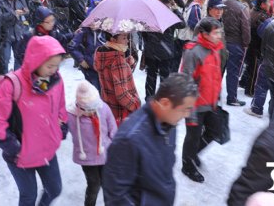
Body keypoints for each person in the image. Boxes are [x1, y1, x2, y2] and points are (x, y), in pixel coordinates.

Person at [0, 36, 68, 206]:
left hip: (46, 148)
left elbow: (60, 106)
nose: (54, 70)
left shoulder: (55, 81)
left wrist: (62, 125)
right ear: (36, 61)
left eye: (57, 65)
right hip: (20, 153)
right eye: (50, 66)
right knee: (28, 196)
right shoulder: (12, 84)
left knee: (54, 189)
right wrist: (10, 144)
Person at [103, 73, 198, 205]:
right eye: (185, 109)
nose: (187, 115)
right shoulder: (129, 139)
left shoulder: (169, 125)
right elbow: (116, 195)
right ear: (165, 103)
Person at [180, 17, 225, 183]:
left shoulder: (215, 48)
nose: (219, 35)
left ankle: (192, 154)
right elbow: (186, 82)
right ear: (205, 34)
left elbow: (214, 76)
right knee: (193, 136)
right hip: (195, 104)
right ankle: (187, 165)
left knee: (214, 131)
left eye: (220, 32)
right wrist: (189, 110)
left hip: (211, 101)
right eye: (216, 33)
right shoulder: (193, 52)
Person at [67, 81, 117, 206]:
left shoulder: (103, 108)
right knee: (94, 185)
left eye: (94, 107)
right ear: (80, 106)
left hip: (104, 153)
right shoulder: (71, 115)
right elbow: (58, 127)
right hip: (87, 158)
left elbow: (113, 128)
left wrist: (112, 144)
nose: (92, 112)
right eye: (88, 109)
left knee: (107, 183)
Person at [142, 0, 185, 100]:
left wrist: (148, 41)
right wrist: (175, 9)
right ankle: (162, 99)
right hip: (166, 51)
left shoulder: (151, 11)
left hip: (151, 50)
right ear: (171, 0)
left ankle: (149, 99)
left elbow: (143, 30)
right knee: (165, 77)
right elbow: (182, 24)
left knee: (151, 76)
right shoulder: (170, 13)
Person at [94, 32, 140, 126]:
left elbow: (110, 71)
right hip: (120, 112)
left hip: (108, 105)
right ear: (113, 39)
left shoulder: (103, 53)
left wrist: (126, 63)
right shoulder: (118, 60)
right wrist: (136, 105)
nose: (127, 41)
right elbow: (122, 95)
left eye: (127, 37)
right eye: (124, 38)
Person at [222, 0, 251, 106]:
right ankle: (232, 98)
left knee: (218, 70)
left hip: (220, 41)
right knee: (233, 73)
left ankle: (214, 94)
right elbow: (245, 28)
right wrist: (246, 43)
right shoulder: (242, 7)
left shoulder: (220, 3)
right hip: (235, 43)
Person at [0, 0, 29, 72]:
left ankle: (17, 77)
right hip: (5, 34)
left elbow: (26, 10)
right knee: (5, 59)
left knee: (19, 57)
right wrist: (13, 13)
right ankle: (5, 79)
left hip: (18, 30)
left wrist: (24, 11)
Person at [239, 0, 270, 96]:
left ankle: (243, 83)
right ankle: (250, 90)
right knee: (254, 70)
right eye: (268, 3)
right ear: (262, 5)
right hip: (256, 46)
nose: (269, 5)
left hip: (250, 45)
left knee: (250, 67)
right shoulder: (262, 16)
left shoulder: (253, 11)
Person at [69, 27, 105, 92]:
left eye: (96, 20)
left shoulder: (104, 31)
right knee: (95, 92)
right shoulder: (83, 32)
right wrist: (81, 60)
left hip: (104, 68)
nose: (94, 23)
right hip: (90, 69)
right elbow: (71, 47)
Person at [206, 0, 229, 74]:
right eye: (216, 9)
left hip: (218, 67)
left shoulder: (219, 23)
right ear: (209, 10)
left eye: (221, 9)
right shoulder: (205, 25)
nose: (219, 12)